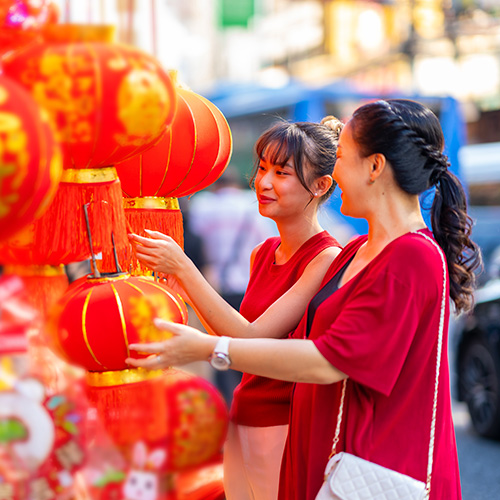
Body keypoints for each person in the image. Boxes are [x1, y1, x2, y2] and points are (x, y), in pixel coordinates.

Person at [128, 117, 344, 500]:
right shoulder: (264, 253)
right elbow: (231, 333)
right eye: (262, 168)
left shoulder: (325, 258)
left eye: (281, 173)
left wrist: (183, 267)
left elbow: (251, 339)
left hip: (284, 425)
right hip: (243, 415)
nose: (263, 182)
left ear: (321, 186)